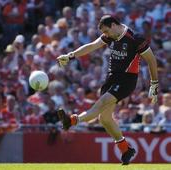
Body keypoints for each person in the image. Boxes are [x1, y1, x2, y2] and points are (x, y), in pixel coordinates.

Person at [57, 15, 158, 165]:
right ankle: (126, 149)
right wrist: (71, 55)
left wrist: (154, 83)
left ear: (113, 25)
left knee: (100, 104)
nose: (105, 35)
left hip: (126, 80)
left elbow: (151, 60)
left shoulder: (135, 38)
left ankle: (71, 120)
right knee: (104, 119)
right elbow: (92, 45)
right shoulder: (110, 35)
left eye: (106, 31)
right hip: (111, 78)